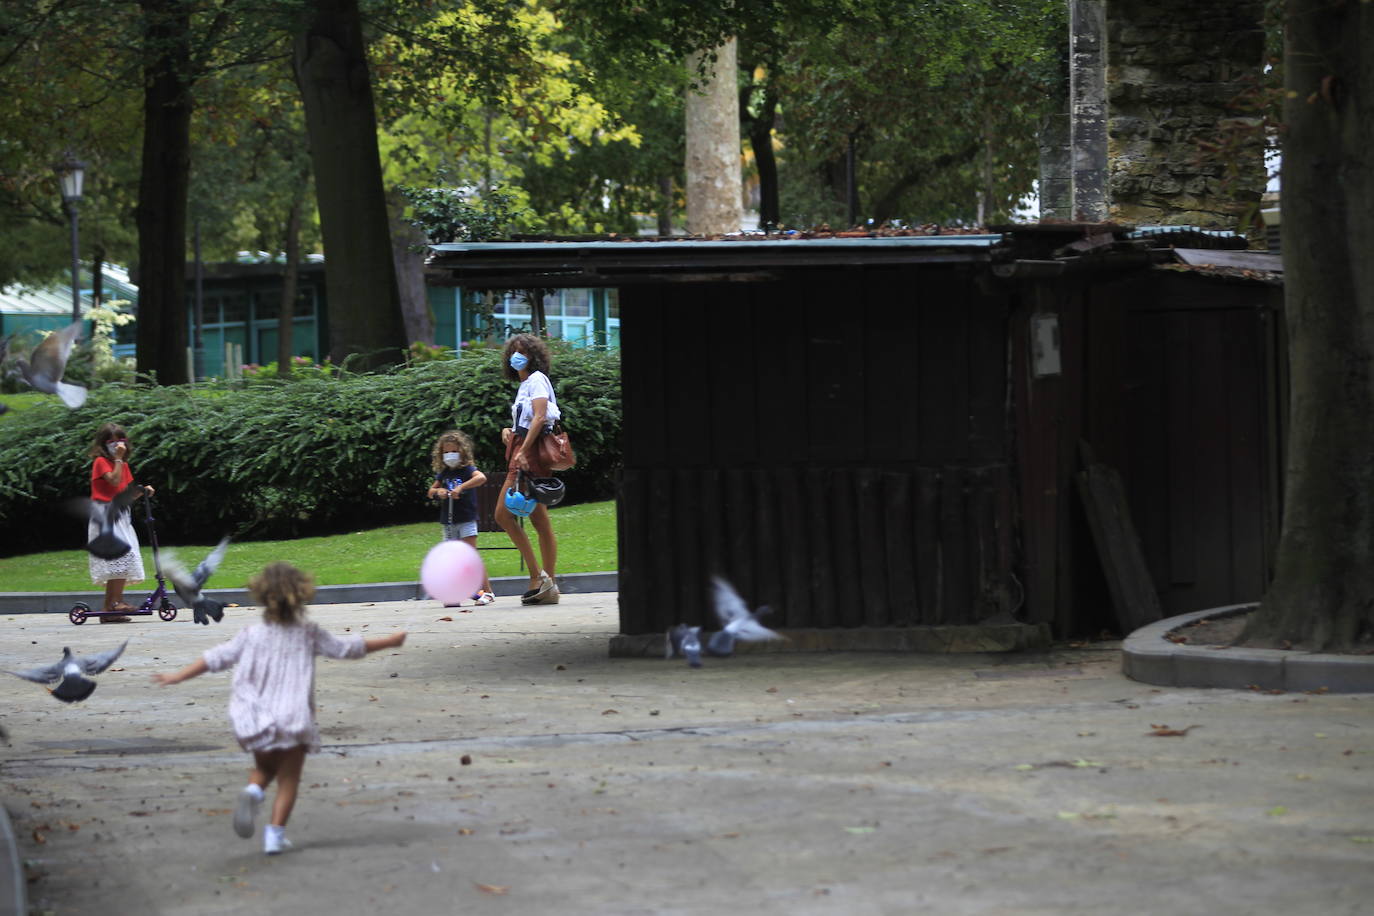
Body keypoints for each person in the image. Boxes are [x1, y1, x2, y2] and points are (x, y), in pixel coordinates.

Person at [152, 562, 406, 855]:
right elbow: (346, 649)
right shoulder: (308, 633)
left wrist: (178, 675)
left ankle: (253, 791)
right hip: (292, 717)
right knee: (289, 779)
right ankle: (274, 835)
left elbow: (216, 658)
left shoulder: (251, 634)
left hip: (256, 716)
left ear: (262, 596)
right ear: (301, 595)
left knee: (263, 768)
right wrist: (390, 640)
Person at [495, 333, 560, 605]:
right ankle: (548, 583)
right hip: (523, 448)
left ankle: (538, 578)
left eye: (522, 351)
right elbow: (526, 419)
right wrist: (509, 432)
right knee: (538, 519)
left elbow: (541, 416)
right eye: (513, 351)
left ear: (534, 356)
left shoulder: (536, 380)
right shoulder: (523, 385)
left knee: (503, 515)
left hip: (528, 454)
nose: (516, 356)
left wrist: (522, 451)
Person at [88, 422, 153, 623]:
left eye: (121, 441)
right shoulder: (101, 462)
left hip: (121, 515)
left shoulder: (123, 465)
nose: (117, 445)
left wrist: (141, 491)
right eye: (112, 442)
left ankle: (111, 607)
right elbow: (113, 481)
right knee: (121, 556)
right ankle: (114, 604)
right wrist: (117, 459)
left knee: (123, 559)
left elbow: (125, 493)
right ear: (103, 444)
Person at [426, 428, 494, 606]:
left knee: (471, 555)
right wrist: (439, 492)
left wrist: (461, 488)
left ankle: (487, 591)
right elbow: (431, 491)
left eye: (454, 451)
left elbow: (481, 478)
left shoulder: (467, 470)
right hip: (448, 522)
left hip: (466, 519)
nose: (450, 455)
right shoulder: (444, 473)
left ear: (462, 452)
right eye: (446, 452)